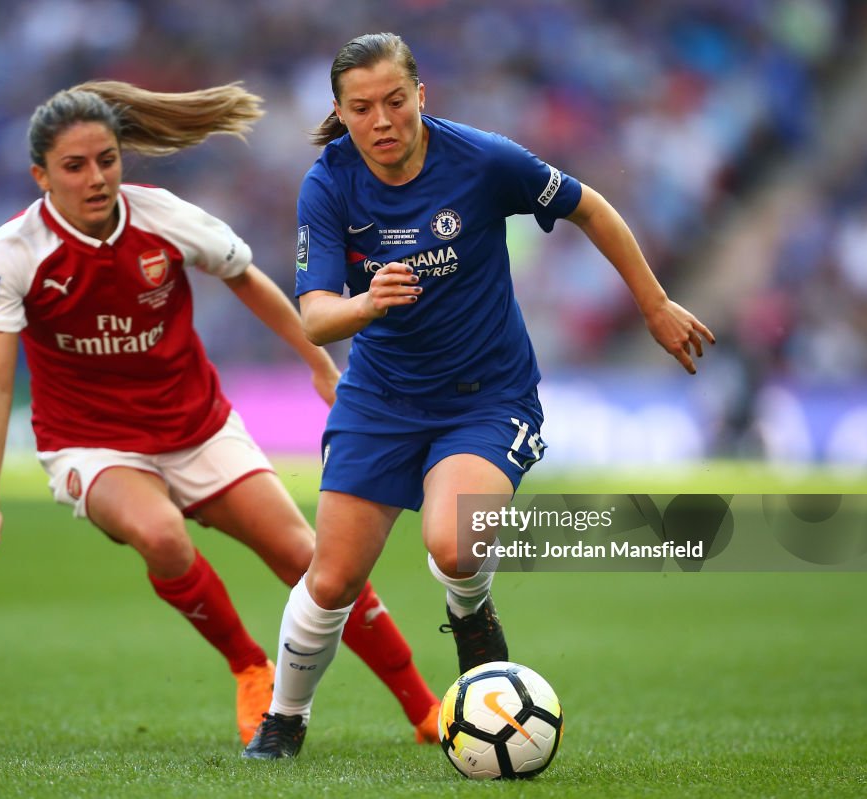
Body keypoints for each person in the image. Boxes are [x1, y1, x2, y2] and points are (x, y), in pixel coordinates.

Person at [243, 32, 716, 759]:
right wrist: (368, 303)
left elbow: (592, 207)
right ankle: (286, 718)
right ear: (341, 112)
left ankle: (470, 610)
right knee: (332, 578)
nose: (382, 121)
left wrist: (654, 305)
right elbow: (314, 314)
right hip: (381, 397)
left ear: (420, 96)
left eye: (395, 101)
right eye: (362, 108)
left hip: (485, 396)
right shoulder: (329, 181)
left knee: (455, 545)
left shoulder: (485, 159)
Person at [0, 79, 441, 746]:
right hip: (92, 445)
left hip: (198, 425)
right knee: (162, 535)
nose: (96, 178)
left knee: (313, 560)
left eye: (107, 160)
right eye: (74, 166)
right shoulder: (11, 255)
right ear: (41, 175)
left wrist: (318, 360)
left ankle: (424, 710)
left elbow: (246, 277)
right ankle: (248, 666)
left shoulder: (162, 216)